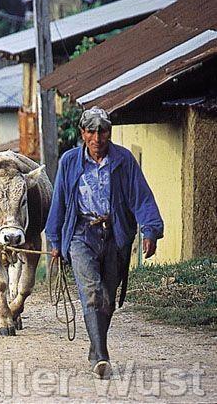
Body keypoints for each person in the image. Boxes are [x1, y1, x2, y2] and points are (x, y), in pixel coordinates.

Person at [45, 107, 164, 380]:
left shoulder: (123, 160)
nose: (97, 137)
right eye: (91, 131)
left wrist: (150, 230)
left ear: (109, 132)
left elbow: (141, 197)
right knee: (92, 292)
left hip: (115, 235)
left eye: (103, 131)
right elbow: (60, 202)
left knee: (107, 298)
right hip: (81, 234)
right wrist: (54, 239)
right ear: (82, 133)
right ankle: (101, 356)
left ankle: (95, 347)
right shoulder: (70, 162)